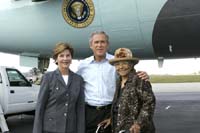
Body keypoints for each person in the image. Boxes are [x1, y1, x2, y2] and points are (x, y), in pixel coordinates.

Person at [77, 31, 149, 133]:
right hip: (90, 113)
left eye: (103, 42)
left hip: (111, 110)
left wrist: (143, 75)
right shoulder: (83, 65)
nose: (99, 45)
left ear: (107, 44)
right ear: (91, 45)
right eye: (96, 42)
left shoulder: (116, 61)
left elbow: (129, 78)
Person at [99, 48, 156, 133]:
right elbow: (120, 106)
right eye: (117, 64)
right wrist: (112, 119)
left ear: (132, 64)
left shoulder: (139, 79)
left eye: (124, 63)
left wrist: (138, 124)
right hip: (120, 129)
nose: (121, 67)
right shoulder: (119, 81)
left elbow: (149, 103)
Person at [33, 42, 85, 133]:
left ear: (71, 58)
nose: (65, 59)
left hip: (70, 129)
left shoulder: (78, 80)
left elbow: (80, 109)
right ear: (56, 59)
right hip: (51, 129)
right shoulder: (48, 78)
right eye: (61, 56)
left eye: (68, 55)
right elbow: (40, 107)